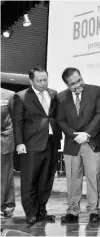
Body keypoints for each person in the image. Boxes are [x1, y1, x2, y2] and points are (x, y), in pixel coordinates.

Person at [12, 67, 61, 224]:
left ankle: (42, 211)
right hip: (31, 144)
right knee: (30, 180)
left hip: (51, 143)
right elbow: (18, 122)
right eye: (39, 80)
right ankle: (31, 212)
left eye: (45, 79)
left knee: (46, 180)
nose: (43, 83)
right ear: (31, 81)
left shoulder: (53, 94)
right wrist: (19, 143)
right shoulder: (21, 96)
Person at [57, 67, 100, 223]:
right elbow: (60, 120)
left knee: (93, 177)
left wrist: (87, 133)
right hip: (73, 143)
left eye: (79, 80)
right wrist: (74, 135)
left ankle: (93, 210)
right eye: (73, 83)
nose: (78, 84)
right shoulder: (61, 97)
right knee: (72, 179)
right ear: (67, 85)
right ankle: (72, 210)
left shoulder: (95, 91)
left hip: (92, 142)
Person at [1, 88, 16, 218]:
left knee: (5, 174)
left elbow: (14, 120)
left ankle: (6, 205)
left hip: (3, 140)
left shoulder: (9, 95)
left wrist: (7, 136)